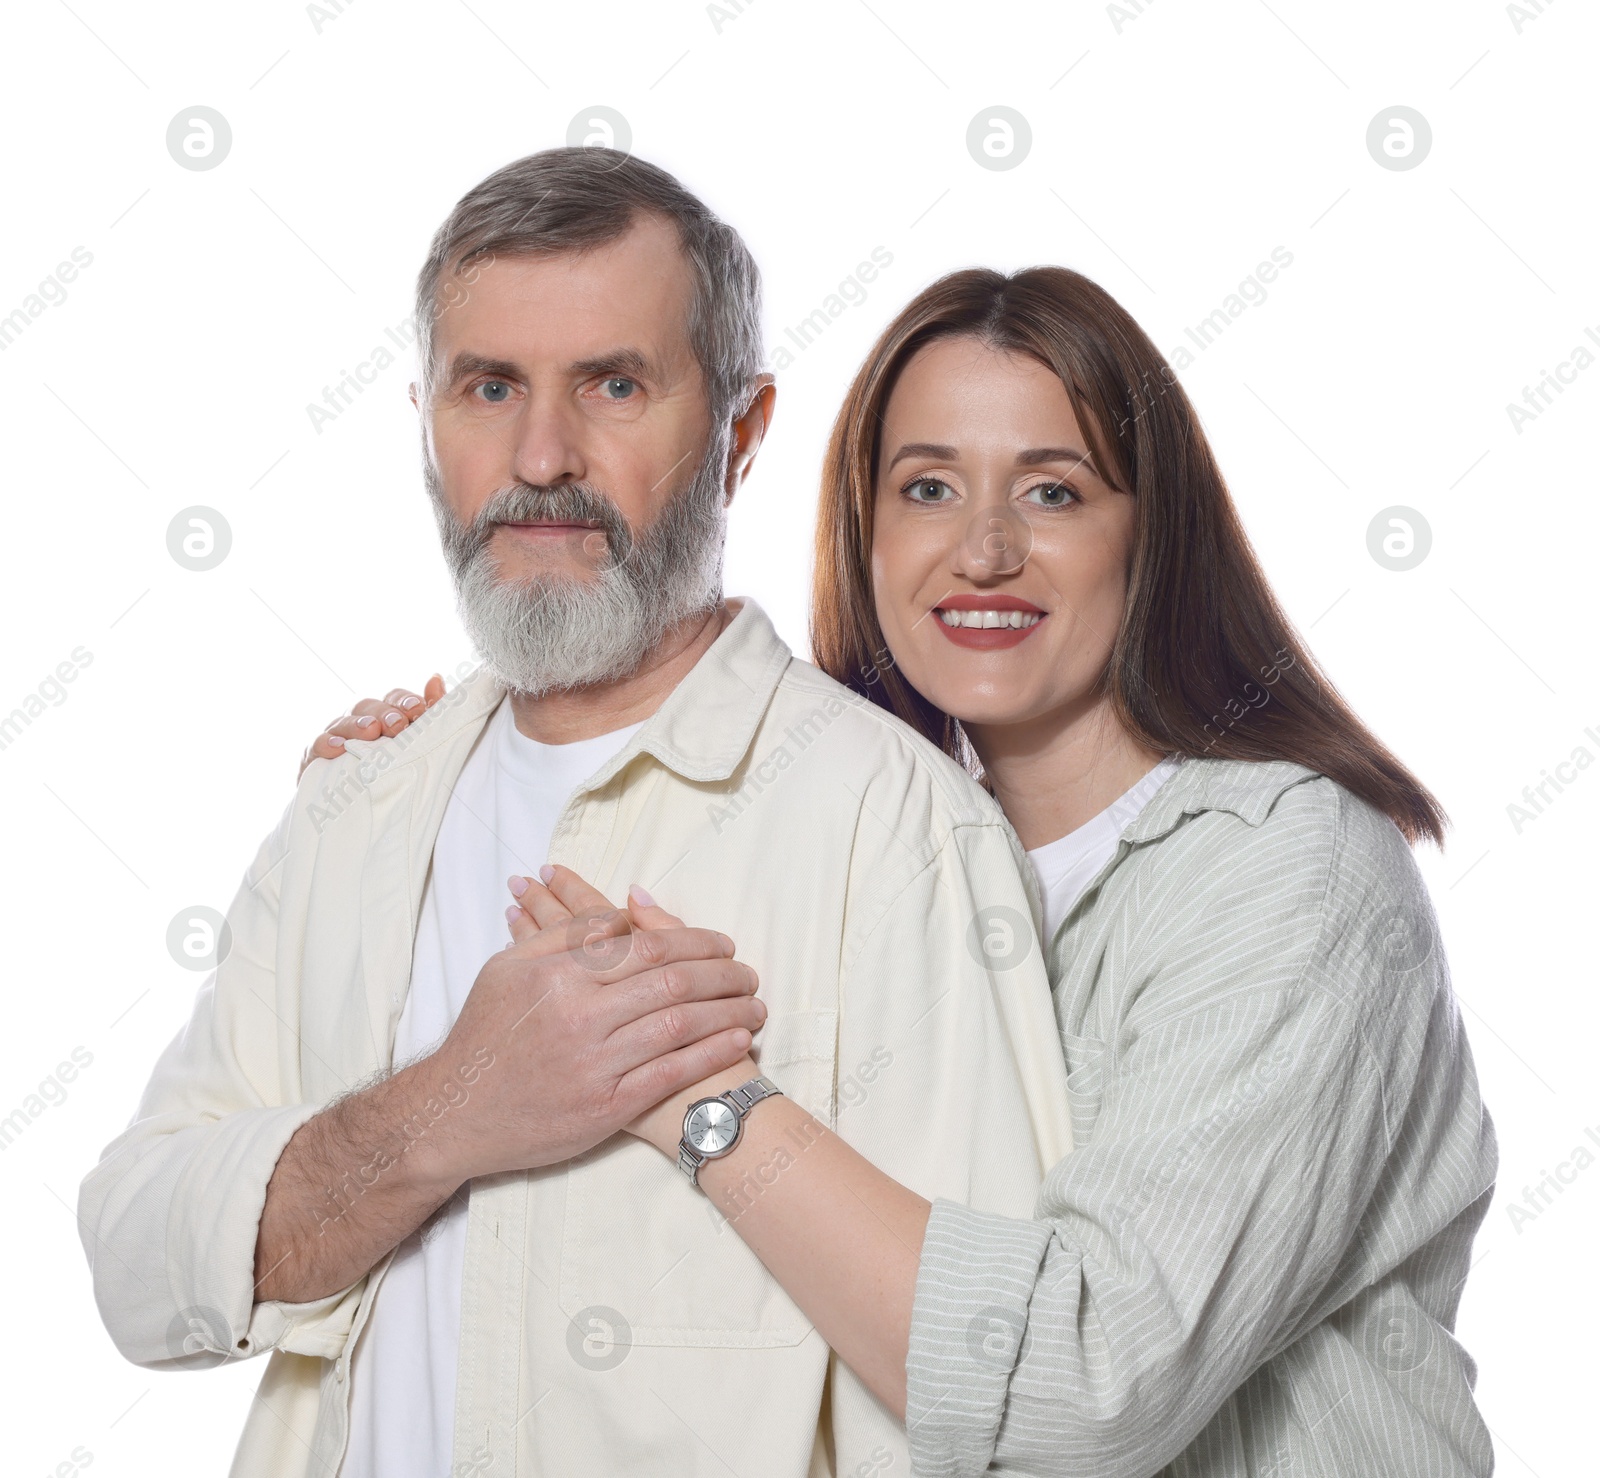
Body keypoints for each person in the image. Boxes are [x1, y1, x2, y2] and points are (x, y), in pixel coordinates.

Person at [327, 267, 1498, 1475]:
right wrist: (420, 778)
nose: (984, 549)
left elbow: (1080, 1382)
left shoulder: (1287, 877)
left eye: (1054, 489)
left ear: (1152, 531)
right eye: (927, 487)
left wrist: (692, 1090)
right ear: (865, 531)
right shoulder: (868, 845)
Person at [76, 151, 1073, 1478]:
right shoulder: (356, 808)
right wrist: (448, 1112)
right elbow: (141, 1268)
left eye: (614, 385)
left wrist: (713, 1114)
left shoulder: (890, 829)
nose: (541, 459)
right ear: (428, 416)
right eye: (489, 387)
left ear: (744, 428)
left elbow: (1004, 1398)